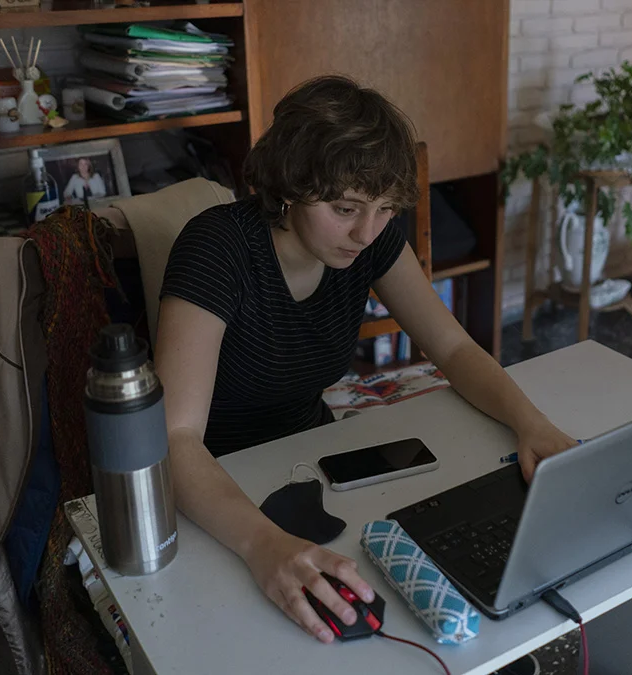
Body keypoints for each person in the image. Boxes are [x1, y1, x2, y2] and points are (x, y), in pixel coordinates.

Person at [154, 76, 578, 646]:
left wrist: (533, 424)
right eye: (344, 207)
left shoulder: (369, 238)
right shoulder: (217, 250)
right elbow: (175, 440)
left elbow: (451, 348)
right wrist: (264, 545)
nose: (366, 231)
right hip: (214, 491)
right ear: (290, 184)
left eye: (383, 209)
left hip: (307, 466)